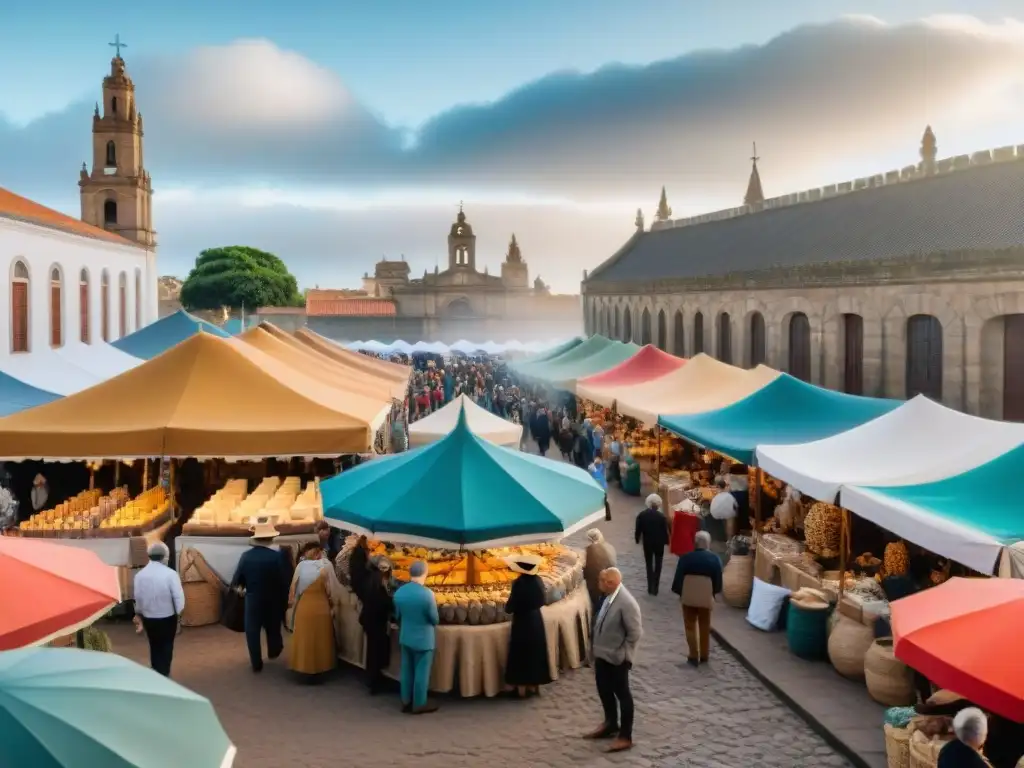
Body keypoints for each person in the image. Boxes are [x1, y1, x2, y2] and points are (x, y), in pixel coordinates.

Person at [585, 567, 643, 753]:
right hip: (603, 654)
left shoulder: (627, 603)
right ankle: (610, 723)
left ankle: (625, 736)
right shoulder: (609, 596)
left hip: (617, 658)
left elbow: (635, 633)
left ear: (610, 583)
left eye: (601, 581)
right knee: (604, 690)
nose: (598, 584)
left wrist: (621, 653)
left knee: (623, 695)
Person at [232, 517, 290, 673]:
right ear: (271, 538)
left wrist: (243, 589)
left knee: (252, 630)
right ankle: (273, 650)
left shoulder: (246, 556)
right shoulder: (277, 557)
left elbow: (237, 580)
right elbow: (284, 580)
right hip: (273, 599)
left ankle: (256, 662)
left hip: (253, 598)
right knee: (273, 627)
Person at [503, 553, 552, 698]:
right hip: (536, 620)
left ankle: (521, 690)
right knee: (536, 653)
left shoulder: (518, 584)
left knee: (521, 655)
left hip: (522, 622)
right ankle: (535, 686)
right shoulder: (539, 581)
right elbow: (543, 600)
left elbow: (510, 607)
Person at [132, 541, 185, 677]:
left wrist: (139, 613)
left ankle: (156, 672)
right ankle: (165, 672)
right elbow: (178, 597)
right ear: (165, 556)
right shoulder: (170, 574)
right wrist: (179, 613)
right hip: (168, 617)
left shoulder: (139, 575)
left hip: (149, 618)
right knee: (167, 647)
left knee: (154, 646)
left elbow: (138, 597)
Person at [670, 531, 723, 666]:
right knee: (705, 625)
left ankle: (693, 655)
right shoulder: (714, 559)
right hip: (705, 596)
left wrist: (680, 593)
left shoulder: (686, 558)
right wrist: (714, 592)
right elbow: (718, 579)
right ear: (708, 544)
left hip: (689, 595)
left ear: (695, 543)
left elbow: (679, 577)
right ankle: (704, 655)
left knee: (690, 625)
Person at [393, 560, 439, 714]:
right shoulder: (427, 595)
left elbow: (397, 615)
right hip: (424, 640)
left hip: (406, 637)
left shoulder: (399, 593)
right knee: (421, 672)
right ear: (425, 573)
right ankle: (419, 703)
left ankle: (405, 701)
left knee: (406, 669)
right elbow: (434, 619)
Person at [287, 542, 337, 679]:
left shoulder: (300, 567)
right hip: (322, 607)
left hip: (304, 607)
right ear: (319, 553)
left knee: (305, 638)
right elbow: (331, 591)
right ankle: (321, 667)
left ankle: (303, 667)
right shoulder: (326, 566)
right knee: (321, 637)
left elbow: (293, 591)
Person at [360, 558, 395, 694]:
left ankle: (373, 678)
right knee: (376, 652)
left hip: (369, 621)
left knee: (372, 650)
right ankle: (374, 682)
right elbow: (384, 603)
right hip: (376, 623)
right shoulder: (378, 587)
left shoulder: (370, 582)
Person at [635, 494, 671, 595]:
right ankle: (656, 587)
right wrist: (667, 541)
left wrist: (637, 539)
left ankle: (650, 586)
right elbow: (665, 531)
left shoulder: (642, 515)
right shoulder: (661, 517)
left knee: (649, 564)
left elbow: (638, 529)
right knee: (658, 564)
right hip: (659, 543)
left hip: (647, 542)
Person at [583, 529, 617, 610]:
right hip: (612, 582)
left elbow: (586, 571)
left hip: (597, 587)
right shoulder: (610, 547)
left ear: (589, 539)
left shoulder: (589, 550)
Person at [588, 456, 611, 521]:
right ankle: (607, 515)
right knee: (604, 500)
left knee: (602, 500)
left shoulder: (595, 468)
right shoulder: (601, 467)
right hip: (601, 486)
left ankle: (601, 515)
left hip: (599, 486)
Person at [348, 535, 371, 600]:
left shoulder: (355, 549)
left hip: (354, 575)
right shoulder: (362, 551)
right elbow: (366, 564)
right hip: (360, 576)